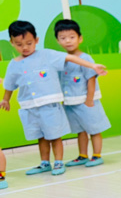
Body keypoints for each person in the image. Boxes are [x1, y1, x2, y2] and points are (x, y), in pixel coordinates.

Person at [1, 21, 106, 176]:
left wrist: (92, 66)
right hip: (30, 107)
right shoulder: (13, 64)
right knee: (41, 136)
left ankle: (58, 162)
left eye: (29, 43)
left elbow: (70, 58)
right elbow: (9, 84)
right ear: (11, 42)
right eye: (19, 44)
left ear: (36, 40)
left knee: (55, 135)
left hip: (50, 105)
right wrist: (6, 99)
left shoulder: (47, 55)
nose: (24, 48)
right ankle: (45, 163)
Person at [55, 19, 111, 167]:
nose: (68, 41)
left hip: (86, 101)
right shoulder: (62, 60)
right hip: (71, 102)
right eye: (63, 38)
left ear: (80, 38)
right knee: (80, 131)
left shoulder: (85, 58)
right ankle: (83, 155)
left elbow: (91, 79)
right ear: (58, 41)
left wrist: (89, 100)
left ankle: (97, 155)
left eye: (72, 37)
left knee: (94, 129)